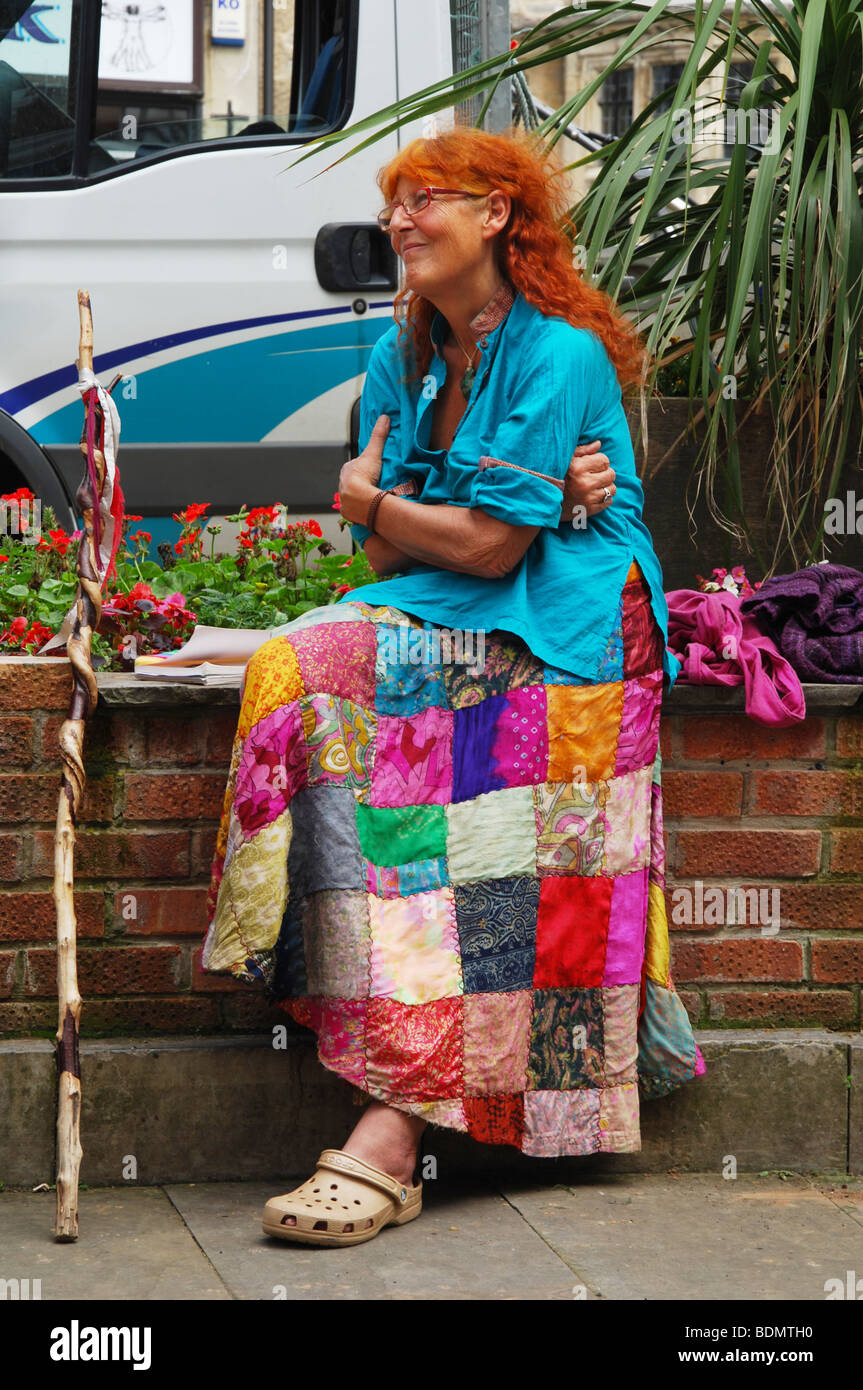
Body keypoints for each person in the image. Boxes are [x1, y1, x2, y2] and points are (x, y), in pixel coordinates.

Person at [201, 125, 705, 1248]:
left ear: (498, 216)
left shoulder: (557, 352)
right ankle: (338, 989)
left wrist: (367, 500)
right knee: (301, 671)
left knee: (329, 680)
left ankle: (395, 1123)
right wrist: (390, 518)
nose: (400, 221)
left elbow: (481, 545)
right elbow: (404, 562)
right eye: (394, 202)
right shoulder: (404, 357)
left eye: (427, 197)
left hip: (574, 618)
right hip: (468, 597)